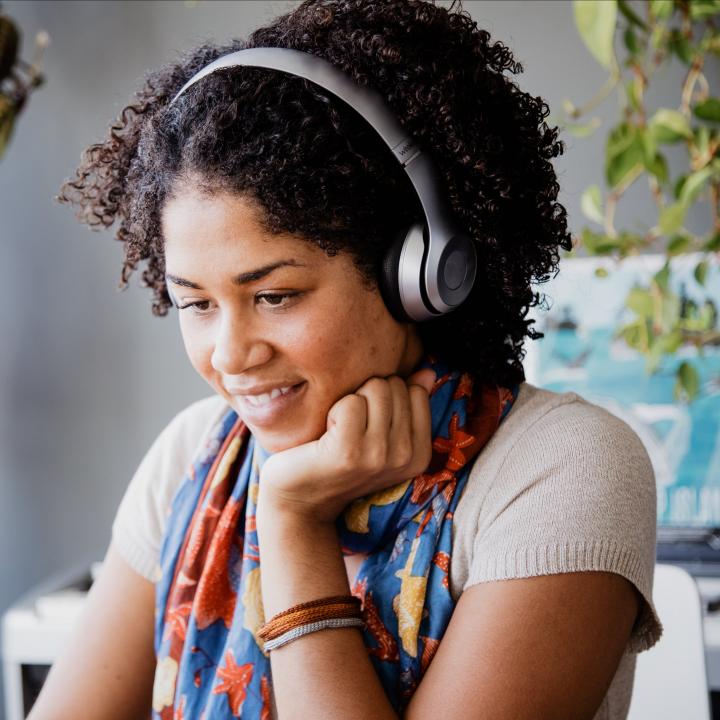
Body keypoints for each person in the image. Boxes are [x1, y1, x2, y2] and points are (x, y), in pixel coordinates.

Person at [30, 1, 662, 718]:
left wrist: (293, 521)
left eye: (274, 295)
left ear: (418, 272)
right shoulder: (193, 457)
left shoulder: (561, 469)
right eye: (197, 304)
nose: (230, 355)